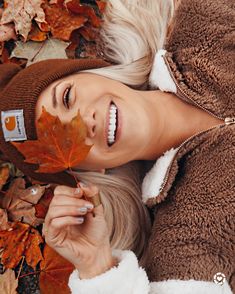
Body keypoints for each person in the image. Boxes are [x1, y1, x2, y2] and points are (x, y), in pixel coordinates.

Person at [0, 0, 234, 293]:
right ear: (90, 171)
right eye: (65, 139)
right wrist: (97, 267)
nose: (86, 123)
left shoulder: (203, 22)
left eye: (68, 97)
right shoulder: (185, 238)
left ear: (93, 72)